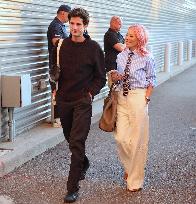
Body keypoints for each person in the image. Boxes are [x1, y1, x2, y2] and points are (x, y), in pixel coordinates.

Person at [51, 8, 106, 203]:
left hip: (82, 101)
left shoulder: (94, 48)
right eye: (72, 24)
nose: (74, 28)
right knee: (69, 138)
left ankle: (72, 188)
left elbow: (101, 77)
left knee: (77, 142)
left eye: (78, 25)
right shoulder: (62, 45)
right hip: (64, 100)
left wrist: (90, 93)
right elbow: (55, 68)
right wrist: (54, 88)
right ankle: (84, 162)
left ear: (85, 26)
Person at [110, 24, 156, 192]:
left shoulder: (147, 57)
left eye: (131, 36)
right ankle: (130, 167)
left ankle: (135, 181)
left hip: (138, 97)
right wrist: (115, 76)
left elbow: (152, 79)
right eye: (127, 35)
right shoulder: (121, 56)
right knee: (121, 138)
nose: (127, 38)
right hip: (122, 96)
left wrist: (146, 98)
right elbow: (118, 77)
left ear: (140, 39)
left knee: (138, 140)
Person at [47, 4, 71, 127]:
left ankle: (60, 116)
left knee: (60, 90)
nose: (70, 17)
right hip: (56, 65)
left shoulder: (61, 26)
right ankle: (56, 119)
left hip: (61, 63)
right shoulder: (55, 25)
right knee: (56, 90)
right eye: (69, 14)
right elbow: (56, 42)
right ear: (62, 13)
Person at [104, 16, 126, 86]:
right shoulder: (110, 34)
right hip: (112, 66)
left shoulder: (119, 34)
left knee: (119, 88)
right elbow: (120, 48)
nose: (121, 26)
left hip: (119, 65)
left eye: (121, 24)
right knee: (113, 87)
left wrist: (125, 45)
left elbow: (126, 45)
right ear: (112, 23)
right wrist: (126, 45)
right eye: (119, 24)